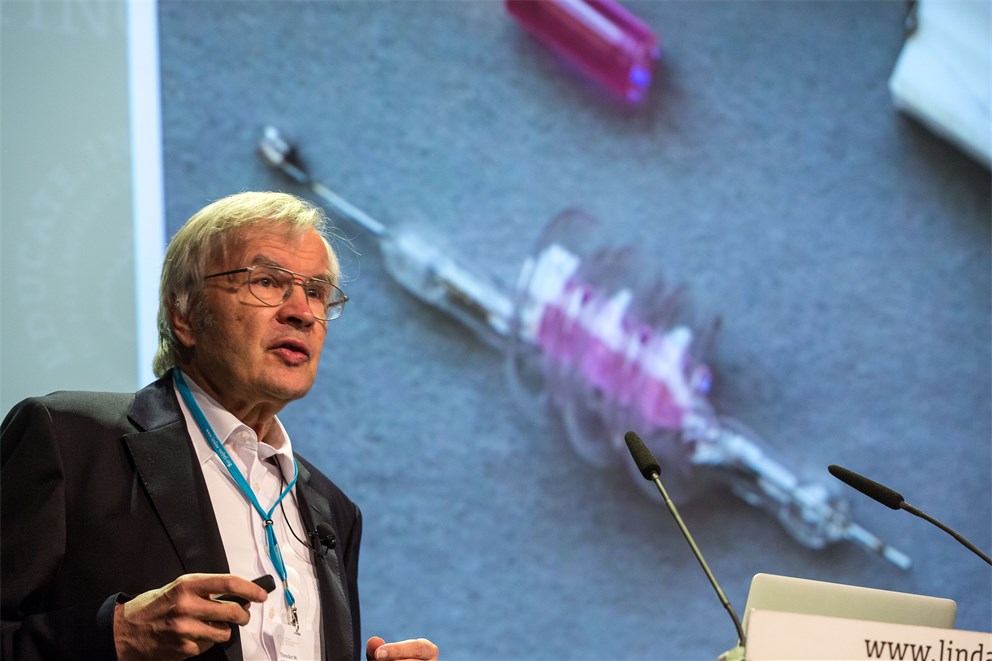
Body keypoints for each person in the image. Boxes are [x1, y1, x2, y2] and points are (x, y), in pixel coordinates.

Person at [1, 191, 439, 661]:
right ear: (185, 314)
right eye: (266, 281)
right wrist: (116, 636)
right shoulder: (69, 441)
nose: (302, 312)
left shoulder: (333, 509)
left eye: (316, 291)